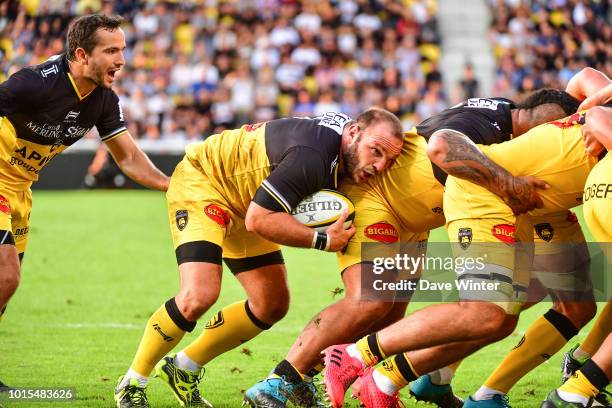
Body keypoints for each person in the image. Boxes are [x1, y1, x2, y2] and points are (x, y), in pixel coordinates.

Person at [243, 89, 581, 408]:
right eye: (556, 131)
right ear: (543, 122)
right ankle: (279, 380)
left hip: (415, 221)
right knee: (370, 300)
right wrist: (509, 185)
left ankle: (383, 382)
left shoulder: (503, 119)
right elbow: (440, 140)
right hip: (378, 198)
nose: (554, 142)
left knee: (396, 315)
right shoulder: (490, 122)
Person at [321, 71, 610, 408]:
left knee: (560, 307)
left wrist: (598, 100)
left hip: (546, 204)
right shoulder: (500, 121)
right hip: (487, 193)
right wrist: (595, 112)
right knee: (486, 314)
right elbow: (599, 108)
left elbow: (588, 82)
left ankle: (405, 381)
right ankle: (355, 356)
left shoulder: (561, 113)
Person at [113, 108, 405, 408]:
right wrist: (323, 239)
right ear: (354, 133)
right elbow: (259, 220)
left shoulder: (342, 149)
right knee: (198, 295)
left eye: (390, 159)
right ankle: (133, 382)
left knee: (271, 303)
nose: (380, 165)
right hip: (206, 183)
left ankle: (183, 368)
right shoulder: (312, 157)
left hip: (250, 200)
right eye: (376, 151)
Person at [0, 14, 169, 390]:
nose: (121, 59)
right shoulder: (32, 84)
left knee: (5, 289)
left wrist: (170, 185)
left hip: (20, 193)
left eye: (123, 50)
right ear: (80, 54)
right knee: (5, 276)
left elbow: (127, 158)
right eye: (111, 51)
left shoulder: (104, 101)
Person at [541, 104, 611, 408]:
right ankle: (574, 392)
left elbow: (593, 102)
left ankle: (581, 365)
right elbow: (594, 109)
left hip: (599, 187)